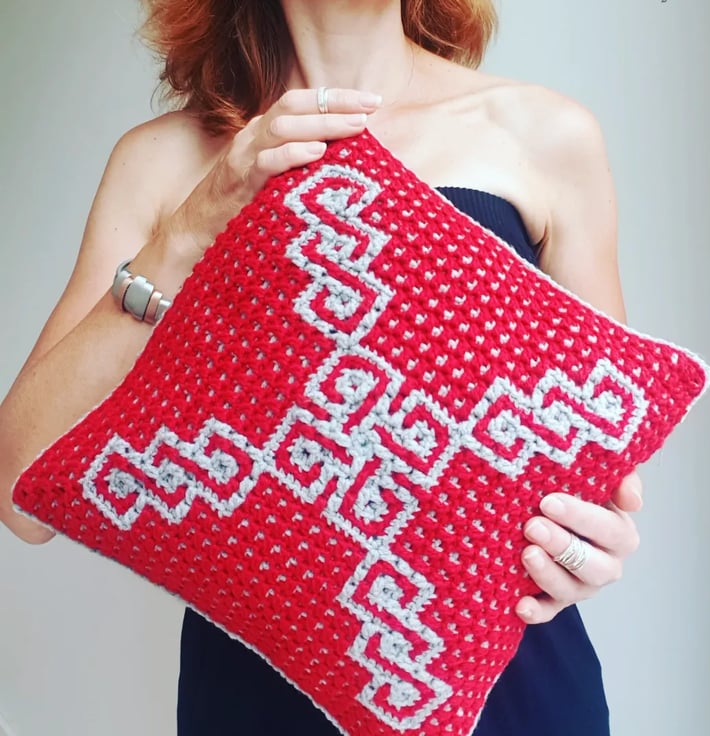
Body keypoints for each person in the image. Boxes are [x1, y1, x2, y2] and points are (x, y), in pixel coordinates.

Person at [0, 0, 644, 734]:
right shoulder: (162, 162)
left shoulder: (541, 135)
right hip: (253, 702)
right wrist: (187, 235)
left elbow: (602, 454)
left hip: (514, 697)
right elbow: (20, 497)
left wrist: (590, 547)